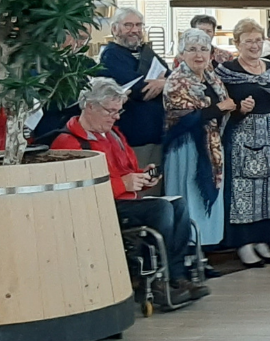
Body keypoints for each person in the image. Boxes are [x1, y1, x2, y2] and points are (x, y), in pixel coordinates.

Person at [54, 78, 210, 307]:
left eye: (119, 111)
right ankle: (158, 281)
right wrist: (123, 185)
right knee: (161, 208)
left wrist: (143, 178)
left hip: (125, 201)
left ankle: (176, 277)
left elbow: (129, 172)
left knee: (178, 204)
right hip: (98, 208)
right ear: (90, 106)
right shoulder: (68, 142)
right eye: (110, 111)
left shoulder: (114, 135)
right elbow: (75, 191)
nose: (116, 117)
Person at [218, 20, 270, 267]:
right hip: (243, 134)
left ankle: (263, 239)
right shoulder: (226, 71)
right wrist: (240, 109)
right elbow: (221, 106)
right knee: (245, 190)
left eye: (258, 40)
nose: (254, 45)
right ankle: (244, 243)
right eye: (248, 41)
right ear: (237, 43)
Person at [159, 30, 230, 263]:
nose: (199, 55)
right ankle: (187, 258)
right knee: (189, 199)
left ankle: (201, 257)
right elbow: (184, 119)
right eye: (192, 49)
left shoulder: (211, 76)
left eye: (203, 49)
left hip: (211, 145)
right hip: (187, 147)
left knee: (203, 203)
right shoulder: (177, 80)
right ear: (182, 53)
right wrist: (219, 109)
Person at [98, 8, 171, 178]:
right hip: (134, 134)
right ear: (115, 29)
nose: (134, 30)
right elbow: (140, 90)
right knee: (141, 185)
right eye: (128, 25)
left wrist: (164, 83)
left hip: (158, 131)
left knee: (157, 181)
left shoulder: (147, 52)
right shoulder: (111, 55)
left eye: (138, 25)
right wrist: (162, 83)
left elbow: (172, 78)